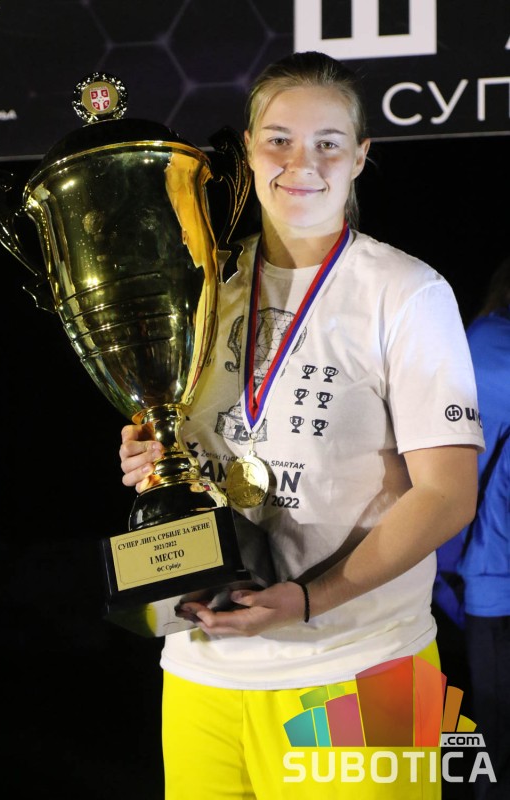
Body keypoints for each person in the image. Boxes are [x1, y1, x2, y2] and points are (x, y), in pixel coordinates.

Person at [119, 51, 484, 799]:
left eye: (327, 142)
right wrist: (151, 454)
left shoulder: (407, 293)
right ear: (249, 151)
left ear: (360, 156)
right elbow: (191, 442)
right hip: (202, 671)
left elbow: (447, 495)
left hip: (361, 667)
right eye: (279, 139)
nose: (301, 163)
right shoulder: (203, 287)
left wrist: (310, 599)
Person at [455, 257, 510, 799]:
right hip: (495, 581)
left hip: (490, 582)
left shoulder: (481, 342)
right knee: (497, 737)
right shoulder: (490, 344)